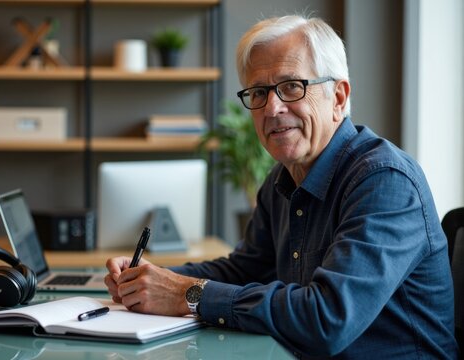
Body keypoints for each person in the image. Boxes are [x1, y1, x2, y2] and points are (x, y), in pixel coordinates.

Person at [105, 14, 458, 359]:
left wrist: (188, 295)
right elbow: (244, 269)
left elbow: (326, 319)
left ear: (338, 98)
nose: (272, 108)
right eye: (259, 92)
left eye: (292, 86)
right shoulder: (281, 179)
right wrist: (153, 280)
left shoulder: (384, 181)